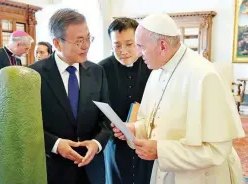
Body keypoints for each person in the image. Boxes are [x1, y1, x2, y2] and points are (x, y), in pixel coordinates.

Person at [112, 13, 245, 184]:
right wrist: (135, 129)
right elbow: (152, 121)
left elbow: (217, 150)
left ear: (162, 46)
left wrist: (161, 151)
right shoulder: (157, 71)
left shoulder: (205, 75)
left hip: (200, 177)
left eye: (141, 46)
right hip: (165, 172)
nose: (137, 53)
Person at [29, 9, 111, 184]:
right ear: (57, 44)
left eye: (88, 38)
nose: (86, 45)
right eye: (79, 41)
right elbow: (26, 125)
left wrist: (96, 144)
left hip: (92, 170)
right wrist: (56, 144)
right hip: (51, 170)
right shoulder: (33, 75)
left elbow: (106, 120)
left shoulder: (97, 72)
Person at [99, 17, 153, 184]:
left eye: (129, 44)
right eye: (117, 45)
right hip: (115, 142)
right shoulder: (100, 69)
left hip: (146, 141)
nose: (123, 50)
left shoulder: (152, 65)